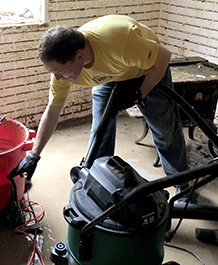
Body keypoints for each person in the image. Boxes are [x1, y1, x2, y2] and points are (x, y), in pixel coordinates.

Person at [12, 15, 189, 194]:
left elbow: (163, 56)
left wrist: (140, 93)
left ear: (79, 56)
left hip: (147, 70)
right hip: (109, 76)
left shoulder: (120, 40)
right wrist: (34, 155)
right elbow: (53, 110)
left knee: (164, 130)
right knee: (100, 131)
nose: (57, 78)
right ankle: (98, 179)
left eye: (59, 72)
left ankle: (182, 185)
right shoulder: (61, 70)